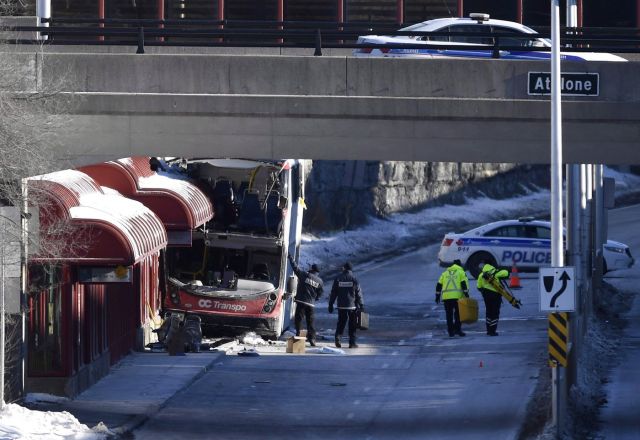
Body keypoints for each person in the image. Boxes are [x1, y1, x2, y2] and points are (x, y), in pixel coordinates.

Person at [288, 254, 324, 346]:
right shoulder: (320, 281)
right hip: (311, 304)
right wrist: (316, 298)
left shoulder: (304, 275)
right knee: (310, 322)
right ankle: (312, 339)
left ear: (312, 269)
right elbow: (320, 293)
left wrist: (290, 258)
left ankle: (299, 337)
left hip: (301, 302)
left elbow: (295, 268)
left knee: (298, 320)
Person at [328, 262, 364, 348]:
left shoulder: (338, 278)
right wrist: (361, 304)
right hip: (352, 306)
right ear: (351, 269)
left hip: (341, 305)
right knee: (352, 325)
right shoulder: (354, 279)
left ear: (344, 268)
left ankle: (338, 337)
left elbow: (333, 293)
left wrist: (331, 304)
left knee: (341, 323)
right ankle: (352, 343)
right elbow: (358, 293)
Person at [435, 259, 469, 337]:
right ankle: (457, 330)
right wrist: (466, 294)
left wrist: (437, 296)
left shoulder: (445, 273)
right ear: (460, 265)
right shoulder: (461, 272)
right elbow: (463, 284)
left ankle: (450, 332)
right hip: (457, 297)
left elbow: (439, 285)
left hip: (446, 298)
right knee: (458, 314)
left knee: (449, 315)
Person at [477, 262, 509, 336]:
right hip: (495, 295)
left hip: (486, 295)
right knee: (495, 313)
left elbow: (479, 287)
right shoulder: (496, 272)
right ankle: (493, 331)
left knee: (488, 312)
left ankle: (488, 330)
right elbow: (507, 273)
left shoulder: (481, 275)